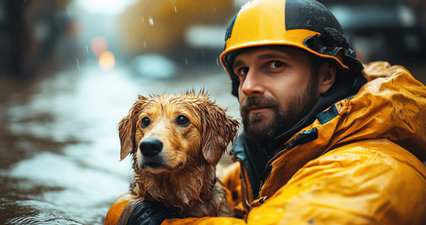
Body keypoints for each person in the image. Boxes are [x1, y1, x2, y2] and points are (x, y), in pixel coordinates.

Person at [105, 0, 426, 224]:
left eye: (274, 65)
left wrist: (134, 217)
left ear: (326, 76)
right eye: (242, 71)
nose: (248, 86)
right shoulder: (271, 160)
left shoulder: (370, 169)